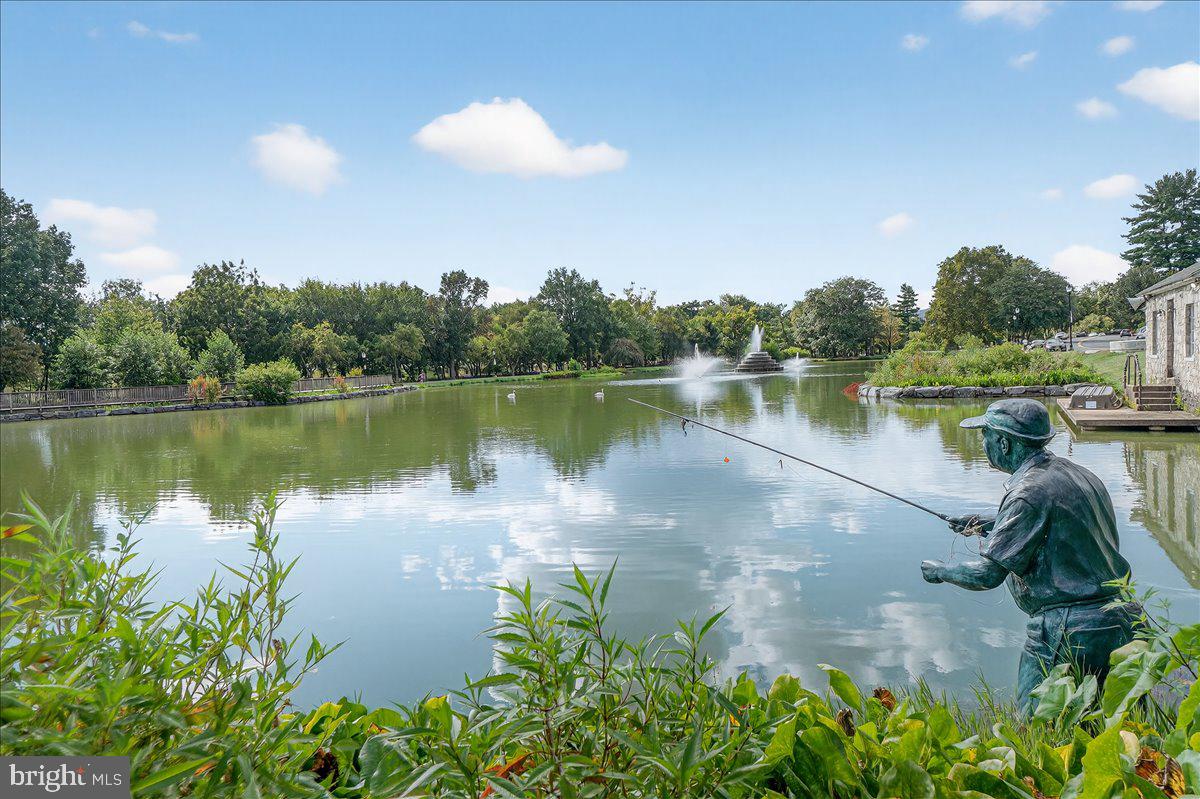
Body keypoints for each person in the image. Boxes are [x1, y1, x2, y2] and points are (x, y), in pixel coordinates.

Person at [920, 398, 1139, 713]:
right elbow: (1059, 523)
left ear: (1005, 443)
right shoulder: (1080, 475)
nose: (983, 443)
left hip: (1068, 631)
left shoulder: (1027, 493)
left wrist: (941, 570)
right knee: (1112, 725)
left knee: (1036, 725)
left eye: (986, 436)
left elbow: (987, 575)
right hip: (1122, 619)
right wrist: (988, 524)